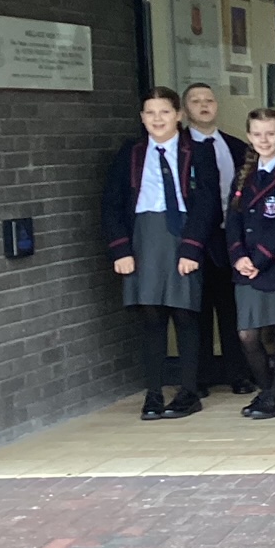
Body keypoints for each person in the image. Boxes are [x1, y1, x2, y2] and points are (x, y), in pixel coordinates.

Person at [101, 86, 220, 421]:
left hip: (182, 237)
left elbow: (207, 202)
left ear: (178, 115)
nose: (157, 119)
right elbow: (111, 204)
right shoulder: (131, 153)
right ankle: (153, 393)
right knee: (151, 316)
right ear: (142, 117)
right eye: (150, 113)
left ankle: (189, 392)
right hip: (144, 238)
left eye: (164, 112)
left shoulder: (197, 151)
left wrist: (192, 247)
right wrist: (121, 249)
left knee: (185, 314)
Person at [225, 107, 275, 420]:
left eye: (270, 133)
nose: (264, 139)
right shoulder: (244, 173)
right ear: (249, 136)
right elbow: (233, 219)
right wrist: (238, 256)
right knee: (247, 333)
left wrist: (259, 258)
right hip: (246, 266)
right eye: (257, 134)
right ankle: (266, 389)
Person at [183, 82, 251, 397]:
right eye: (196, 101)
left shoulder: (236, 147)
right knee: (197, 310)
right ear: (185, 110)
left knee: (231, 309)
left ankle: (238, 374)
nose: (204, 105)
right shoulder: (180, 148)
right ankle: (200, 377)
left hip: (230, 237)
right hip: (195, 241)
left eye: (209, 100)